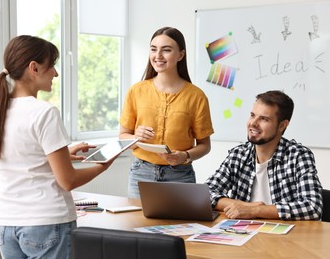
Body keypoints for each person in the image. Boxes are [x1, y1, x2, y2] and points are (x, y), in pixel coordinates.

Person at [0, 35, 116, 259]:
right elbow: (68, 180)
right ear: (33, 68)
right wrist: (103, 164)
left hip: (7, 224)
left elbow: (20, 157)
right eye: (51, 65)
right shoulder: (44, 112)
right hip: (46, 221)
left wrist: (61, 154)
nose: (56, 73)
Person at [119, 27, 214, 198]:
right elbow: (122, 137)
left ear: (180, 55)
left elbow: (205, 146)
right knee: (134, 224)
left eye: (166, 50)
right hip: (141, 174)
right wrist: (135, 137)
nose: (158, 56)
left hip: (180, 175)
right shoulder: (136, 91)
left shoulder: (196, 96)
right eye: (154, 49)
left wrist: (184, 156)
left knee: (181, 225)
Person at [205, 90, 323, 220]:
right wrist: (242, 206)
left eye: (264, 119)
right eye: (252, 115)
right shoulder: (238, 154)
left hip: (285, 236)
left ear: (282, 125)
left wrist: (256, 210)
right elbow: (205, 194)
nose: (253, 123)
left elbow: (312, 207)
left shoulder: (298, 156)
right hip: (242, 233)